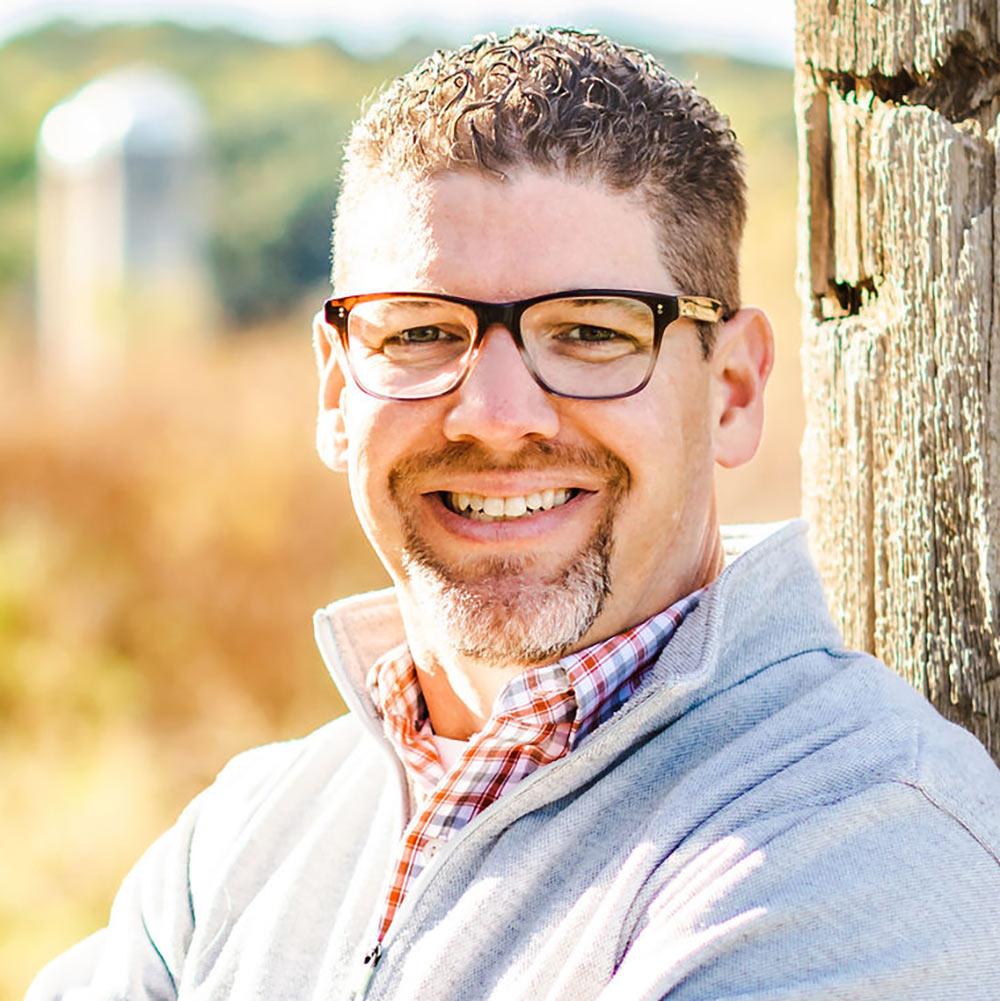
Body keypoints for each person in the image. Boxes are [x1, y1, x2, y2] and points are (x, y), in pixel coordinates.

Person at [30, 26, 1000, 1001]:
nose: (494, 415)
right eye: (418, 330)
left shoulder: (861, 838)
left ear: (733, 389)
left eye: (588, 331)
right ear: (335, 390)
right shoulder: (241, 839)